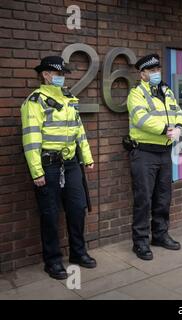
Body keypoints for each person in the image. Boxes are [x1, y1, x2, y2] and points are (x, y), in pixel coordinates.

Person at [21, 56, 96, 280]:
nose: (63, 78)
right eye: (59, 74)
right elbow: (31, 139)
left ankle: (78, 253)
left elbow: (79, 130)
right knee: (50, 214)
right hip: (48, 165)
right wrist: (37, 171)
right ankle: (52, 261)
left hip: (71, 164)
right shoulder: (35, 101)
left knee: (77, 208)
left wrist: (87, 157)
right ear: (46, 75)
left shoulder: (70, 98)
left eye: (64, 74)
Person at [126, 54, 182, 261]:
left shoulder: (166, 91)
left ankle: (160, 235)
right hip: (144, 153)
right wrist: (166, 130)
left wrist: (179, 127)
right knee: (143, 199)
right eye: (151, 71)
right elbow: (141, 119)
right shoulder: (136, 93)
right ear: (142, 73)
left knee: (163, 197)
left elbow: (178, 111)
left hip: (164, 152)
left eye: (157, 70)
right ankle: (140, 242)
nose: (155, 74)